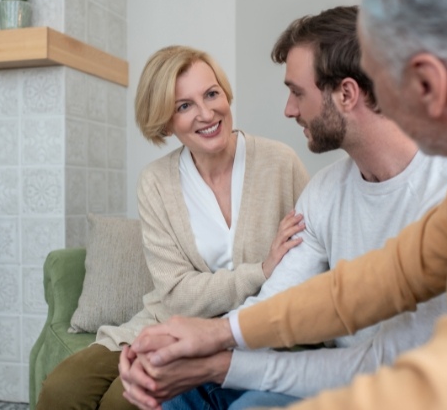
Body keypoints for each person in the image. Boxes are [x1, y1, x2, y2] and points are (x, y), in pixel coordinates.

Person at [124, 0, 447, 409]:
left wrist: (220, 362)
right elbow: (378, 282)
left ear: (427, 83)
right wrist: (218, 334)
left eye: (385, 85)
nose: (384, 107)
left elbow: (441, 388)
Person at [119, 6, 447, 410]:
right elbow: (274, 304)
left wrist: (218, 359)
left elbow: (385, 361)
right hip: (342, 371)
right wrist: (193, 346)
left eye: (297, 92)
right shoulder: (325, 192)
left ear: (346, 94)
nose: (288, 109)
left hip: (415, 386)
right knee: (179, 400)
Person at [34, 46, 309, 410]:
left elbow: (312, 252)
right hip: (166, 322)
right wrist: (260, 270)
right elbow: (177, 293)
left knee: (125, 402)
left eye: (211, 94)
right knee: (61, 390)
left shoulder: (280, 163)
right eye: (184, 106)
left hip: (244, 330)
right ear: (165, 122)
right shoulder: (156, 182)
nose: (207, 113)